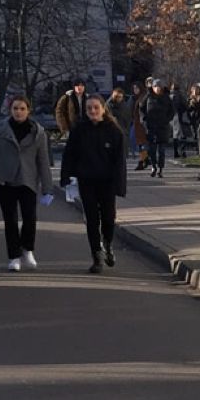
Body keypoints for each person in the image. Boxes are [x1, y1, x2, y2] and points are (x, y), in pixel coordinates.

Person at [0, 95, 53, 272]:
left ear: (28, 110)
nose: (18, 112)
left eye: (22, 108)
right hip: (5, 179)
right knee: (11, 220)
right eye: (15, 108)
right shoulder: (0, 128)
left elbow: (43, 161)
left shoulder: (37, 132)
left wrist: (47, 188)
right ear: (10, 110)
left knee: (30, 218)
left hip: (28, 180)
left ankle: (27, 249)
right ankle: (14, 256)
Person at [59, 94, 127, 274]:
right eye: (89, 108)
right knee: (91, 219)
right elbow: (69, 155)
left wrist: (120, 185)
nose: (93, 111)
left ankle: (107, 243)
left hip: (107, 182)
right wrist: (66, 176)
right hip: (86, 180)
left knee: (108, 218)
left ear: (103, 109)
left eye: (96, 107)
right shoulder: (79, 130)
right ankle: (96, 256)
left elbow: (120, 161)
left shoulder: (114, 131)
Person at [139, 78, 175, 178]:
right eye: (155, 86)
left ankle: (160, 169)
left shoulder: (166, 97)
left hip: (163, 127)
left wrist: (167, 119)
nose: (157, 88)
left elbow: (172, 111)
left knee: (162, 150)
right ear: (153, 87)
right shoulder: (148, 96)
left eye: (159, 86)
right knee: (152, 150)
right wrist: (144, 119)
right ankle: (154, 166)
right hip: (151, 127)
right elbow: (141, 108)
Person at [106, 87, 133, 156]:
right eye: (117, 97)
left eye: (120, 97)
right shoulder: (108, 105)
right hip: (111, 131)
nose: (119, 98)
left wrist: (126, 130)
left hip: (122, 131)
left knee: (122, 154)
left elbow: (128, 119)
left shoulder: (125, 105)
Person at [131, 82, 150, 171]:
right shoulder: (137, 98)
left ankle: (142, 161)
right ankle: (145, 160)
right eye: (134, 88)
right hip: (137, 123)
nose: (135, 90)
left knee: (142, 144)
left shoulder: (143, 97)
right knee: (140, 143)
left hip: (141, 124)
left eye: (136, 88)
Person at [170, 83, 191, 158]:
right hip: (180, 116)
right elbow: (185, 105)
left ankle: (175, 152)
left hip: (173, 117)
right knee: (182, 135)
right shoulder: (180, 95)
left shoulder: (170, 96)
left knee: (175, 135)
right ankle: (182, 152)